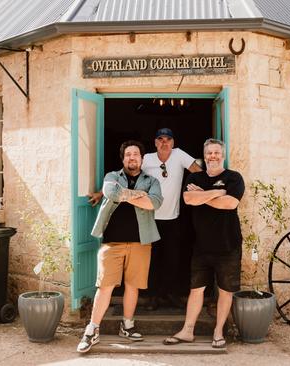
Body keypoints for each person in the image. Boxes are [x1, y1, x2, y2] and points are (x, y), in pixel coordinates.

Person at [76, 140, 163, 353]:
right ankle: (92, 329)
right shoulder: (112, 177)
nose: (132, 157)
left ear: (142, 159)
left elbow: (155, 203)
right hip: (112, 241)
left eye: (136, 154)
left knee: (133, 286)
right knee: (104, 286)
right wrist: (139, 196)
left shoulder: (152, 180)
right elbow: (111, 193)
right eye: (128, 155)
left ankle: (127, 325)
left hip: (141, 241)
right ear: (123, 159)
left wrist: (127, 196)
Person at [163, 138, 245, 349]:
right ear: (205, 155)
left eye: (217, 152)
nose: (213, 156)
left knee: (225, 290)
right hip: (202, 246)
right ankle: (187, 331)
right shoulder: (195, 176)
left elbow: (230, 203)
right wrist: (217, 192)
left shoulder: (234, 177)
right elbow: (189, 199)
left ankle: (218, 332)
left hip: (228, 245)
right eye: (209, 153)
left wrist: (203, 195)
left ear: (223, 155)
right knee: (196, 289)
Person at [141, 128, 202, 309]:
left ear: (173, 142)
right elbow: (129, 173)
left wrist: (203, 190)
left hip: (173, 218)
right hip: (150, 218)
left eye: (168, 139)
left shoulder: (178, 155)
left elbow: (197, 171)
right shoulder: (147, 159)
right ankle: (153, 296)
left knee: (173, 259)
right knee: (153, 259)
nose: (164, 142)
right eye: (160, 139)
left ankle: (171, 294)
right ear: (155, 142)